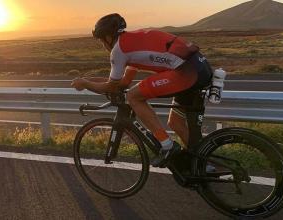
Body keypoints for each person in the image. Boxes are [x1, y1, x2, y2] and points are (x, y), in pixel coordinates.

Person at [71, 13, 213, 168]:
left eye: (101, 41)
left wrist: (85, 83)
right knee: (175, 123)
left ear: (108, 37)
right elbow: (123, 82)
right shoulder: (133, 41)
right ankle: (203, 166)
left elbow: (112, 86)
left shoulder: (118, 50)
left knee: (134, 96)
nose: (103, 46)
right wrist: (89, 81)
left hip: (187, 73)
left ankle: (167, 145)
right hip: (199, 67)